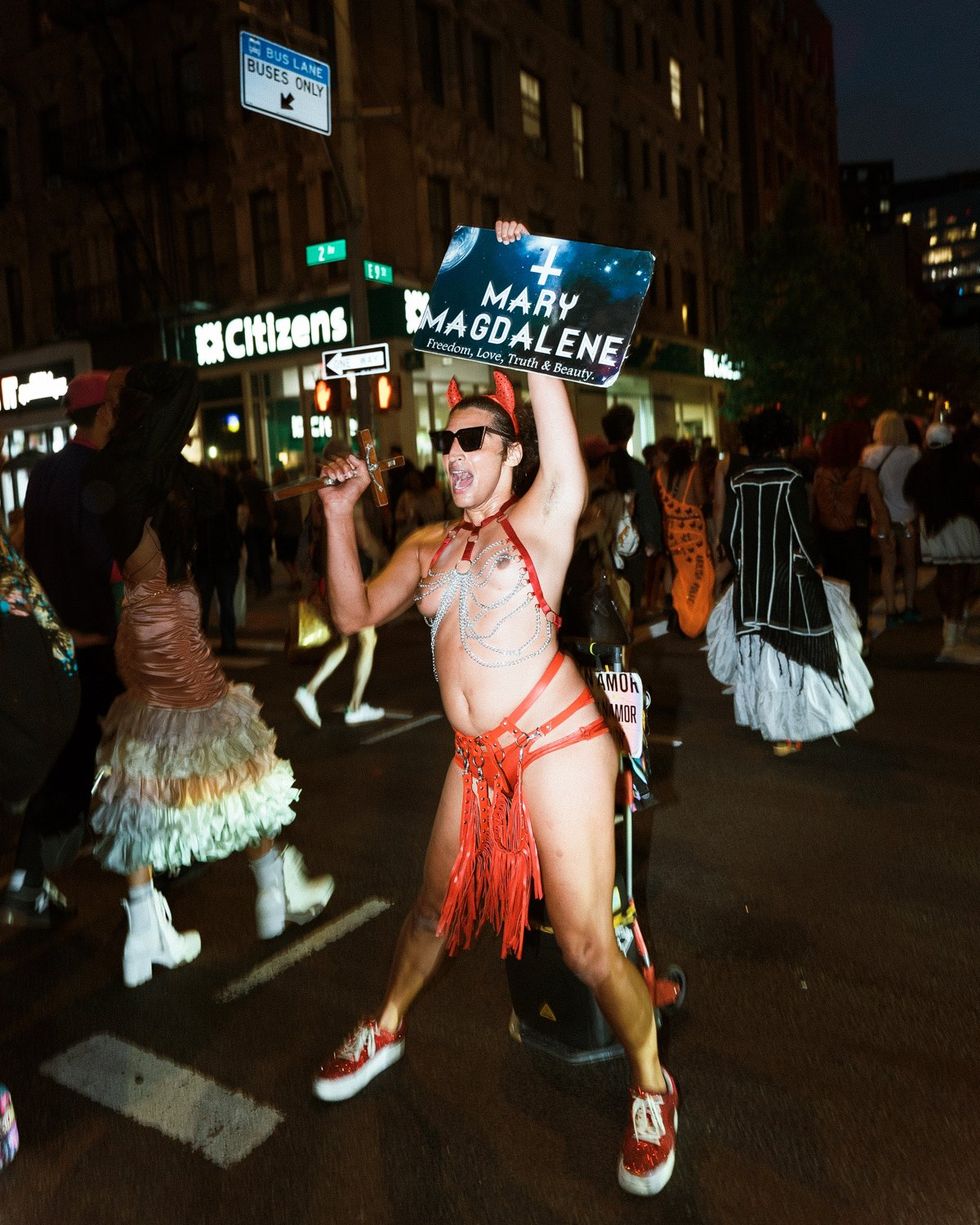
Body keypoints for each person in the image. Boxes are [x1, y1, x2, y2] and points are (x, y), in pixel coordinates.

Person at [311, 220, 677, 1198]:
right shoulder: (430, 543)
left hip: (556, 744)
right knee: (430, 905)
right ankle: (385, 1022)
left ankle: (650, 1081)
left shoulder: (543, 513)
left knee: (587, 942)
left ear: (509, 454)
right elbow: (351, 612)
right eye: (446, 439)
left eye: (472, 437)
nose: (453, 450)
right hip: (475, 760)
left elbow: (556, 416)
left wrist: (523, 286)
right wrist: (338, 517)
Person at [84, 362, 334, 987]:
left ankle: (146, 928)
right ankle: (275, 886)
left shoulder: (116, 472)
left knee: (145, 764)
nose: (114, 404)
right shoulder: (175, 481)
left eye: (123, 395)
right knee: (232, 755)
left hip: (141, 622)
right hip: (167, 621)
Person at [1, 371, 124, 927]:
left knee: (73, 757)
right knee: (120, 753)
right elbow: (109, 562)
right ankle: (147, 872)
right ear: (103, 414)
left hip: (54, 642)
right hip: (97, 640)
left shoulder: (43, 473)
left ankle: (33, 878)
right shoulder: (98, 473)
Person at [706, 408, 875, 756]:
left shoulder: (739, 479)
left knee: (763, 654)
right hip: (787, 579)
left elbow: (731, 535)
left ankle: (772, 724)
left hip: (752, 585)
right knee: (792, 652)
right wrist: (815, 564)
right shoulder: (791, 476)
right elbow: (802, 532)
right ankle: (786, 729)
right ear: (782, 442)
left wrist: (744, 567)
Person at [293, 475, 389, 728]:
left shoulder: (320, 502)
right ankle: (352, 706)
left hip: (332, 578)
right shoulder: (351, 502)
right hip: (352, 579)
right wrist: (390, 560)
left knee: (347, 641)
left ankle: (310, 690)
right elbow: (365, 542)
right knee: (368, 640)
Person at [903, 421, 980, 664]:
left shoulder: (921, 467)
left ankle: (950, 623)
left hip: (933, 527)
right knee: (962, 575)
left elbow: (911, 494)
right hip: (961, 525)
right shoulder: (963, 465)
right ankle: (953, 631)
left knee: (944, 573)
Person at [813, 421, 888, 648]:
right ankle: (859, 637)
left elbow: (812, 508)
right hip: (854, 538)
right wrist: (886, 538)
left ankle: (835, 637)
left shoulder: (819, 474)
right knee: (858, 589)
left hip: (826, 538)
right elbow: (880, 509)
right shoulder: (865, 476)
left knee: (831, 588)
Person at [861, 411, 921, 627]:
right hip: (906, 517)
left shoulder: (870, 454)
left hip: (882, 519)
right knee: (909, 564)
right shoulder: (913, 453)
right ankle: (910, 605)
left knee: (888, 564)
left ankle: (890, 609)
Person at [601, 404, 661, 615]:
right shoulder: (636, 468)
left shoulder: (597, 465)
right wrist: (651, 540)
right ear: (630, 431)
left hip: (601, 542)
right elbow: (647, 506)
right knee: (628, 604)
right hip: (630, 543)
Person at [656, 441, 714, 637]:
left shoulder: (660, 474)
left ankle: (678, 614)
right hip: (694, 535)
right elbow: (701, 499)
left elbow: (662, 508)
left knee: (679, 574)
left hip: (672, 533)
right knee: (700, 574)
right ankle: (694, 620)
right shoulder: (693, 471)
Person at [190, 460, 243, 656]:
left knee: (203, 602)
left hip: (206, 559)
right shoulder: (226, 497)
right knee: (226, 602)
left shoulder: (199, 504)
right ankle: (229, 641)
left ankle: (199, 644)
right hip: (225, 557)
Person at [238, 457, 274, 597]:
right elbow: (269, 502)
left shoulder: (239, 484)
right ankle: (267, 584)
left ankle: (260, 586)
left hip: (248, 524)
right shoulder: (260, 483)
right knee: (264, 554)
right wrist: (271, 520)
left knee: (254, 555)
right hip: (262, 521)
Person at [272, 467, 303, 589]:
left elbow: (276, 514)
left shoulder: (277, 494)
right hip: (295, 529)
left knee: (285, 557)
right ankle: (295, 577)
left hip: (283, 530)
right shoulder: (292, 492)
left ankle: (294, 577)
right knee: (292, 556)